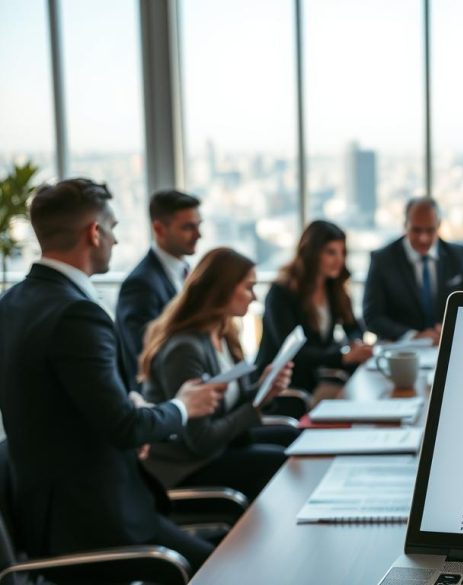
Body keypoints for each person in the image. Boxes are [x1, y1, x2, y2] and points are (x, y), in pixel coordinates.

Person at [0, 178, 225, 573]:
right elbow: (123, 427)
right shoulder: (77, 313)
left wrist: (127, 404)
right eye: (114, 229)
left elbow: (51, 403)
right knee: (223, 568)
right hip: (93, 519)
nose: (116, 242)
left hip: (40, 512)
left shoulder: (13, 302)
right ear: (94, 232)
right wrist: (183, 406)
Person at [138, 247, 296, 501]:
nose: (253, 297)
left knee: (291, 437)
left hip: (217, 447)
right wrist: (253, 409)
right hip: (187, 465)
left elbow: (228, 405)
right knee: (277, 461)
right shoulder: (185, 349)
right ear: (222, 290)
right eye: (248, 287)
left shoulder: (223, 334)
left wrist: (265, 390)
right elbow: (200, 440)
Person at [257, 221, 374, 393]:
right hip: (284, 386)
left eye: (342, 252)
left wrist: (355, 344)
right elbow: (294, 353)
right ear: (312, 253)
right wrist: (342, 357)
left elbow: (354, 327)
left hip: (316, 378)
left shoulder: (333, 288)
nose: (339, 260)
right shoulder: (281, 293)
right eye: (331, 252)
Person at [363, 197, 463, 344]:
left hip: (448, 344)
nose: (423, 238)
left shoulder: (456, 255)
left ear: (439, 225)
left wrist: (450, 328)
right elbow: (372, 317)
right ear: (405, 225)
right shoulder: (382, 260)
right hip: (401, 350)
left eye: (430, 230)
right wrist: (413, 336)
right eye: (416, 230)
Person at [117, 189, 202, 383]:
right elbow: (145, 351)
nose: (199, 234)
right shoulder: (139, 284)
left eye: (198, 225)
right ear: (159, 229)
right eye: (188, 227)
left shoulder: (188, 272)